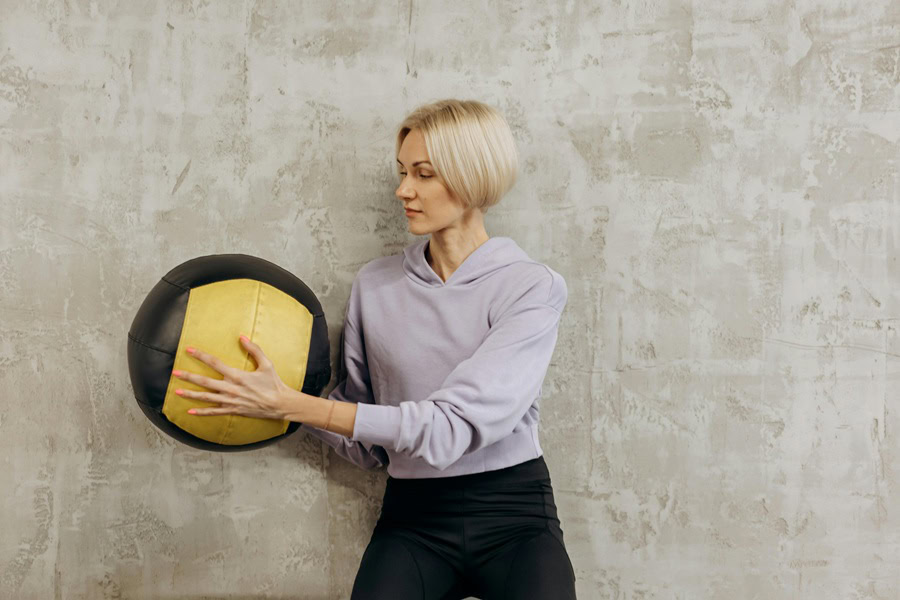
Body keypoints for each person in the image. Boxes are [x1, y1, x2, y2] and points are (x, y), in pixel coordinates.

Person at [299, 99, 577, 599]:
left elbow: (451, 428)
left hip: (512, 515)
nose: (403, 190)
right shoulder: (375, 285)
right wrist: (277, 400)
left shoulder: (531, 288)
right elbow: (367, 444)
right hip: (413, 519)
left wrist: (297, 406)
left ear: (472, 178)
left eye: (423, 174)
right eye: (403, 171)